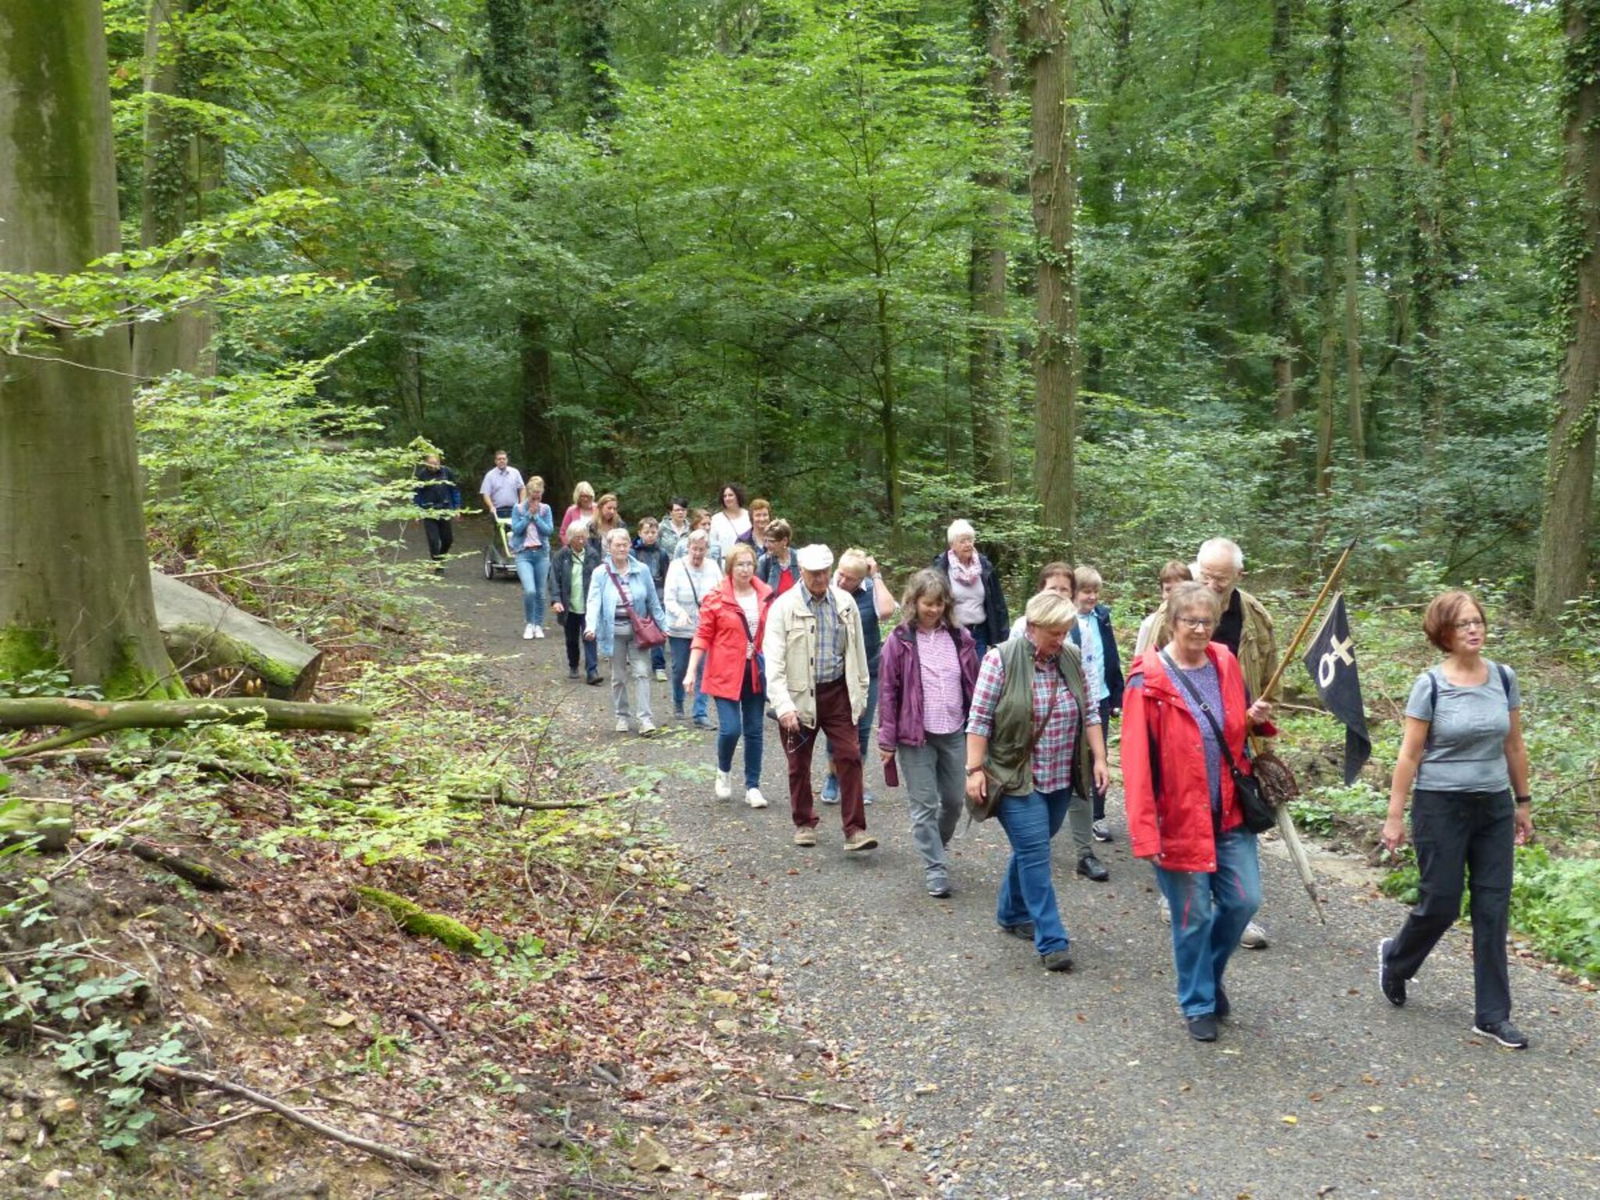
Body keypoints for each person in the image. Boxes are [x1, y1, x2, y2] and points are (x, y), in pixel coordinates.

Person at [1377, 590, 1533, 1050]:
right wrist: (1394, 815)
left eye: (1478, 621)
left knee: (1492, 908)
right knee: (1442, 902)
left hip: (1493, 807)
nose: (1474, 629)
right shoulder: (1431, 684)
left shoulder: (1503, 679)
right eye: (1463, 623)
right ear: (1443, 632)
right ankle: (1396, 960)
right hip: (1439, 806)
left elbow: (1514, 746)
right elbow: (1410, 753)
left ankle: (1492, 1015)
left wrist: (1522, 802)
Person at [1121, 581, 1275, 1041]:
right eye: (1191, 620)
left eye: (1207, 621)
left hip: (1228, 808)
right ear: (1171, 622)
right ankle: (1198, 1002)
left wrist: (1253, 717)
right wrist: (1146, 832)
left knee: (1245, 899)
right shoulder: (1145, 682)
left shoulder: (1225, 662)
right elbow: (1136, 763)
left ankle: (1204, 976)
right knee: (1194, 916)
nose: (1201, 629)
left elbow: (1231, 724)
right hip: (1178, 817)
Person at [965, 591, 1108, 972]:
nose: (1061, 640)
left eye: (1065, 632)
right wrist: (974, 769)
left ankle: (1010, 912)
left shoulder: (1072, 658)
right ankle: (1052, 939)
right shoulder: (1001, 659)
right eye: (1054, 633)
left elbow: (1091, 711)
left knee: (1035, 846)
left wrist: (1101, 759)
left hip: (1061, 774)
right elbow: (979, 720)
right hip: (1015, 776)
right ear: (1032, 627)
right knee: (1035, 854)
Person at [1151, 538, 1277, 949]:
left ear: (1238, 575)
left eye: (1221, 578)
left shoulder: (1254, 616)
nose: (1212, 583)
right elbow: (1148, 670)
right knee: (1185, 814)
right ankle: (1184, 896)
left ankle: (1232, 911)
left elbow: (1269, 671)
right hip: (1181, 738)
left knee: (1237, 813)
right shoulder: (1174, 612)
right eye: (1206, 574)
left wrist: (1262, 711)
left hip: (1238, 738)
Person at [764, 544, 877, 852]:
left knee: (850, 756)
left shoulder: (845, 604)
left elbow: (858, 653)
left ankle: (855, 829)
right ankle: (804, 822)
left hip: (838, 693)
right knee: (798, 763)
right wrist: (783, 705)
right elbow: (772, 664)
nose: (820, 578)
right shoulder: (783, 607)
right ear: (802, 572)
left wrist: (861, 692)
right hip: (799, 697)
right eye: (814, 573)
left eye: (825, 572)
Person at [878, 570, 978, 898]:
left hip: (954, 730)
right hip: (915, 734)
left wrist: (980, 729)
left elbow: (973, 684)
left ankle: (937, 844)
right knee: (924, 804)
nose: (933, 610)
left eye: (939, 604)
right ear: (914, 602)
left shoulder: (960, 637)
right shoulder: (900, 640)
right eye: (927, 603)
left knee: (953, 801)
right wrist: (887, 739)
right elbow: (889, 692)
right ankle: (936, 868)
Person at [686, 543, 772, 809]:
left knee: (755, 730)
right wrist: (691, 671)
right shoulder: (716, 597)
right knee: (731, 728)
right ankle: (723, 771)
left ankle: (753, 786)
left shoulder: (766, 595)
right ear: (730, 568)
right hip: (724, 672)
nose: (745, 569)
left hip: (756, 671)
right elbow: (703, 635)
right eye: (740, 565)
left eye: (749, 564)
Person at [820, 548, 896, 807]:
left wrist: (876, 576)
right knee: (836, 725)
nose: (843, 581)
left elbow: (887, 611)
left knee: (862, 728)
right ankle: (833, 776)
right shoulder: (826, 589)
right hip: (836, 671)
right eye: (841, 574)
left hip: (869, 669)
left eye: (850, 578)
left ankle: (856, 778)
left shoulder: (870, 592)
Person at [586, 528, 668, 735]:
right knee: (619, 677)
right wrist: (590, 626)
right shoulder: (600, 573)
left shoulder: (641, 570)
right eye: (617, 545)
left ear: (630, 545)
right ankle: (622, 716)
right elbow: (594, 601)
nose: (622, 548)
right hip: (613, 632)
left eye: (625, 544)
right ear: (609, 548)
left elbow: (653, 600)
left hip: (638, 632)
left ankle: (645, 720)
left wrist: (664, 626)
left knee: (641, 673)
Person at [1070, 566, 1124, 849]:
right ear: (1074, 593)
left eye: (1095, 592)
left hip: (1100, 696)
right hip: (1072, 698)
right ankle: (1067, 808)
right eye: (1086, 591)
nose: (1091, 597)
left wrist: (1117, 693)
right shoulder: (1065, 621)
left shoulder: (1101, 617)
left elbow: (1111, 654)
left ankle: (1098, 814)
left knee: (1097, 755)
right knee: (1069, 755)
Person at [663, 530, 723, 727]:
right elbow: (669, 598)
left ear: (707, 550)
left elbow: (720, 593)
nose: (697, 553)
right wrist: (680, 613)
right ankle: (678, 701)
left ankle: (700, 713)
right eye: (694, 549)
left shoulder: (714, 567)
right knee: (680, 668)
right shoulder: (676, 566)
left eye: (701, 549)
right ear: (688, 548)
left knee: (703, 669)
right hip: (680, 628)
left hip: (704, 628)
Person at [932, 520, 1009, 658]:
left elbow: (998, 604)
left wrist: (1001, 638)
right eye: (962, 541)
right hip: (951, 633)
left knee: (978, 676)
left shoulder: (984, 566)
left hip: (979, 634)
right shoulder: (941, 569)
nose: (967, 544)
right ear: (952, 545)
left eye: (970, 540)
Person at [549, 522, 602, 683]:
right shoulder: (561, 556)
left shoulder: (593, 555)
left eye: (584, 537)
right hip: (569, 606)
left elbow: (600, 578)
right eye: (578, 538)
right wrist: (556, 600)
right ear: (570, 539)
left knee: (590, 637)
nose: (581, 541)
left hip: (588, 605)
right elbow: (553, 580)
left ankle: (592, 671)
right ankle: (573, 664)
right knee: (571, 639)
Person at [510, 476, 554, 640]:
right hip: (524, 554)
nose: (536, 498)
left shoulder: (546, 509)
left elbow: (548, 531)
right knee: (530, 590)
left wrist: (537, 517)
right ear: (528, 493)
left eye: (539, 495)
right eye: (533, 495)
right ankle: (529, 623)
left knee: (541, 593)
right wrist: (529, 515)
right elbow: (516, 530)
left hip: (541, 554)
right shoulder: (518, 509)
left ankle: (538, 624)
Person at [632, 517, 671, 680]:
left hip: (658, 593)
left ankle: (659, 665)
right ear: (640, 533)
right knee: (637, 628)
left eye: (653, 532)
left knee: (658, 630)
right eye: (646, 532)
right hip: (638, 594)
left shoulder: (661, 553)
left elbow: (666, 574)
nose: (650, 535)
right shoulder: (633, 553)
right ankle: (637, 662)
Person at [1134, 560, 1194, 657]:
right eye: (1168, 589)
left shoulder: (1201, 624)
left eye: (1180, 588)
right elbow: (1139, 660)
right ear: (1162, 592)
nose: (1174, 594)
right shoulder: (1149, 624)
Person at [413, 454, 459, 568]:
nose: (434, 466)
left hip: (445, 509)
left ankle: (441, 558)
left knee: (448, 539)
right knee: (433, 540)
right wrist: (417, 511)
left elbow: (454, 490)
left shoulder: (447, 472)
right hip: (428, 511)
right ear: (426, 463)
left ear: (439, 462)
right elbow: (416, 494)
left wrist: (457, 508)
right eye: (431, 463)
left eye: (436, 463)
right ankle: (437, 564)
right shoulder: (421, 475)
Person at [1007, 563, 1074, 642]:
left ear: (1071, 593)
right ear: (1041, 591)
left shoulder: (1080, 629)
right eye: (1052, 588)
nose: (1058, 594)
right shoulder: (1022, 626)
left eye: (1064, 589)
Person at [709, 483, 752, 560]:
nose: (727, 498)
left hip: (746, 562)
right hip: (724, 563)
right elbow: (712, 544)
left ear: (738, 496)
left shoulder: (749, 516)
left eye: (730, 495)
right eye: (724, 496)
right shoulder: (716, 519)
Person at [755, 518, 798, 595]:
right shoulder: (764, 562)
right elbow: (760, 593)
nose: (767, 545)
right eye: (765, 541)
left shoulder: (799, 559)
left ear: (784, 541)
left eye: (771, 541)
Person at [479, 450, 524, 519]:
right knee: (500, 529)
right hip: (498, 510)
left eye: (504, 459)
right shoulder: (490, 475)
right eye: (499, 459)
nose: (502, 461)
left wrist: (522, 503)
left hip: (514, 509)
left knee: (515, 529)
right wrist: (491, 506)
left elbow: (522, 488)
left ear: (507, 460)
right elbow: (486, 494)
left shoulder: (515, 472)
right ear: (495, 461)